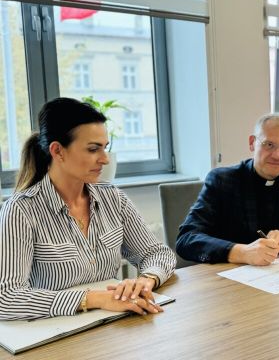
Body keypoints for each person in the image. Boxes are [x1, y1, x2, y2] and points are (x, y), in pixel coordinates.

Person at [0, 98, 176, 320]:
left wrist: (146, 280)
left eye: (105, 148)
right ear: (58, 151)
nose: (104, 159)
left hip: (114, 324)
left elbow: (157, 253)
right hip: (57, 331)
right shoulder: (20, 210)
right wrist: (95, 299)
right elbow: (6, 297)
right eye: (93, 149)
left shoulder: (113, 198)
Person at [176, 114, 279, 265]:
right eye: (269, 145)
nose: (277, 155)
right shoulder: (222, 180)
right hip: (233, 278)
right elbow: (186, 239)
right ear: (252, 143)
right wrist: (241, 252)